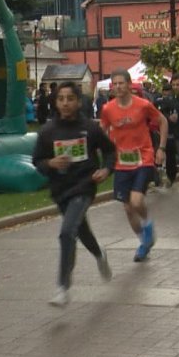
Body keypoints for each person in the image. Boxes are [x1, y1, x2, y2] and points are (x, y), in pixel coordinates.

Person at [32, 81, 115, 307]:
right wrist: (51, 162)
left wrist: (106, 169)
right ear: (55, 102)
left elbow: (109, 150)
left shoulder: (90, 128)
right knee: (81, 229)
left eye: (70, 99)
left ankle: (62, 287)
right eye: (61, 99)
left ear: (78, 102)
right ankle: (100, 254)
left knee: (67, 232)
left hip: (84, 186)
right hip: (61, 190)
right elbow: (37, 161)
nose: (65, 103)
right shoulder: (48, 132)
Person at [99, 68, 168, 262]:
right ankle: (144, 242)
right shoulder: (108, 109)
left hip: (143, 158)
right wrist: (104, 152)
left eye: (122, 83)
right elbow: (102, 130)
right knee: (128, 209)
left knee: (137, 201)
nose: (118, 87)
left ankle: (148, 224)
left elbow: (162, 121)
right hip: (122, 163)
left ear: (129, 85)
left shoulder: (143, 105)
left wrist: (161, 148)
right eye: (115, 84)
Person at [156, 75, 179, 188]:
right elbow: (161, 113)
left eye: (178, 84)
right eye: (174, 85)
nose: (176, 87)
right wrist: (169, 117)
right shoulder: (169, 99)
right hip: (176, 133)